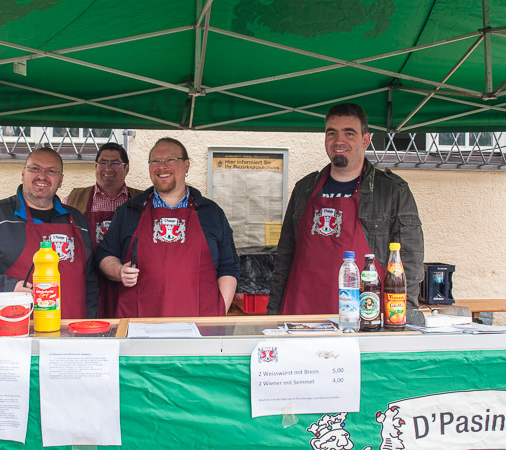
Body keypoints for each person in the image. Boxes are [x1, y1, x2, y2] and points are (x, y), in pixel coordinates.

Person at [268, 103, 424, 315]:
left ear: (365, 140)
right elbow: (284, 258)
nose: (338, 141)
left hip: (365, 316)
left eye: (349, 133)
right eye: (331, 133)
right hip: (302, 314)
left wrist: (404, 315)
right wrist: (273, 313)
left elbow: (409, 262)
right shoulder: (304, 189)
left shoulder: (392, 191)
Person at [96, 137, 239, 318]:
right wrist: (118, 271)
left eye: (171, 160)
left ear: (186, 165)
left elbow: (229, 267)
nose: (162, 167)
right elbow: (104, 254)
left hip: (200, 325)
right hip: (140, 323)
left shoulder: (211, 213)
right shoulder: (129, 211)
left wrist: (218, 312)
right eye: (155, 161)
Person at [0, 146, 99, 319]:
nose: (42, 176)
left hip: (70, 327)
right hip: (10, 325)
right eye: (35, 168)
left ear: (61, 180)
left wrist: (91, 321)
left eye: (51, 171)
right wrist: (5, 287)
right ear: (23, 173)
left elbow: (90, 280)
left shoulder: (78, 221)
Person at [64, 142, 142, 317]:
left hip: (128, 283)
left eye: (115, 163)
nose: (108, 168)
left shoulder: (141, 200)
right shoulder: (73, 199)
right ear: (95, 167)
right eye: (103, 163)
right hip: (87, 284)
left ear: (127, 168)